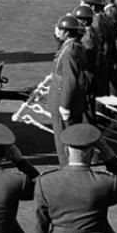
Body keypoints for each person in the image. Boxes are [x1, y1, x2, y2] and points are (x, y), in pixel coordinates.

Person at [49, 15, 88, 165]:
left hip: (62, 100)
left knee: (63, 142)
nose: (58, 31)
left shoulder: (69, 51)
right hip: (64, 98)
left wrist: (64, 105)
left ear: (67, 32)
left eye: (60, 29)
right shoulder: (72, 46)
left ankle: (66, 169)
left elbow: (69, 80)